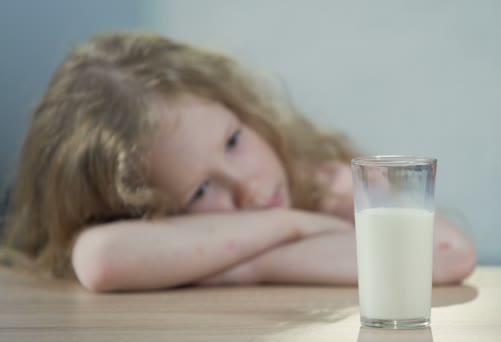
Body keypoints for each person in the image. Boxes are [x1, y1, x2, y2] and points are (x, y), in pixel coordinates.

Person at [0, 32, 476, 292]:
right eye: (201, 192)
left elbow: (445, 256)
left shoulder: (319, 178)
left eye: (233, 141)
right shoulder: (292, 213)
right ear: (143, 215)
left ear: (245, 111)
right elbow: (101, 258)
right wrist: (291, 226)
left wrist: (231, 263)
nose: (249, 187)